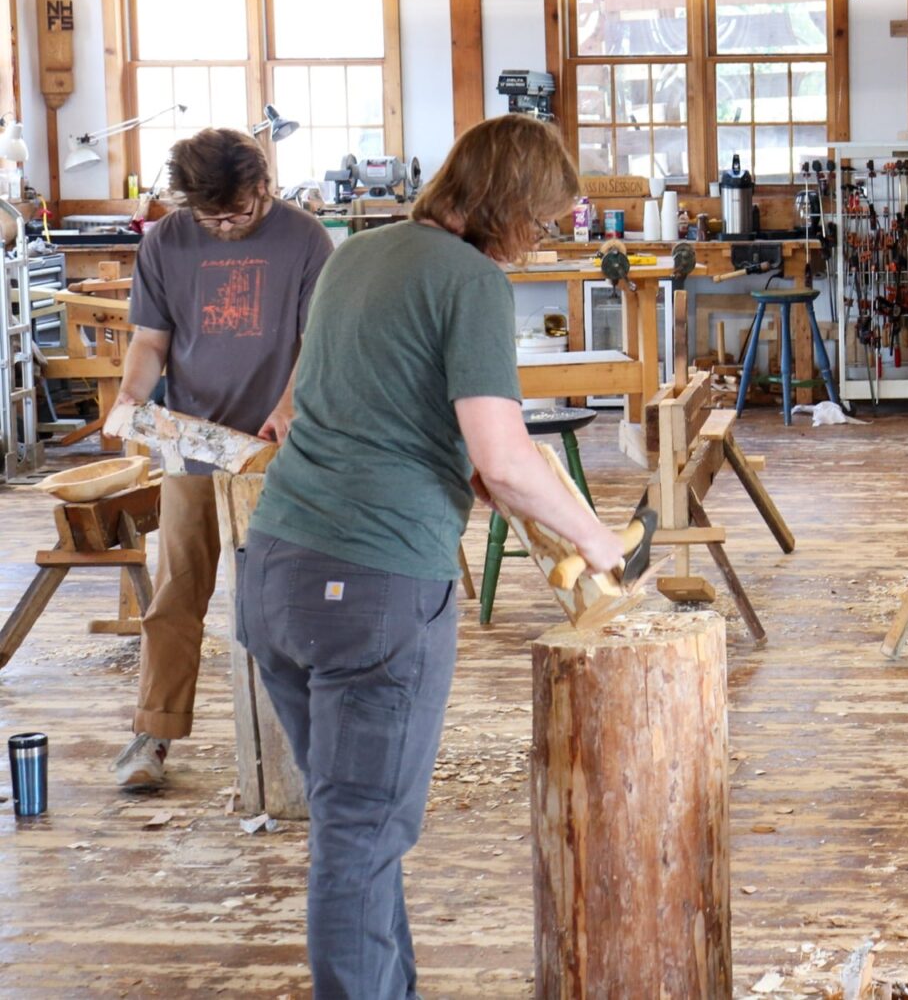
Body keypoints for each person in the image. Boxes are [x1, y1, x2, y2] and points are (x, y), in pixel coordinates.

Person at [235, 116, 624, 999]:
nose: (541, 241)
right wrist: (595, 537)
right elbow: (505, 459)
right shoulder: (470, 280)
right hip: (373, 585)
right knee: (360, 839)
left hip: (277, 571)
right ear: (506, 204)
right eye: (541, 221)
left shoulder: (357, 254)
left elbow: (340, 407)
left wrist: (462, 466)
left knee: (353, 828)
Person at [110, 129, 332, 790]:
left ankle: (304, 745)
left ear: (263, 186)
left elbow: (317, 341)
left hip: (277, 453)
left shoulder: (305, 239)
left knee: (286, 597)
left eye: (239, 212)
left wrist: (289, 406)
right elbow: (151, 341)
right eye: (212, 218)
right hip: (194, 443)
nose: (227, 226)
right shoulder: (166, 242)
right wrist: (131, 395)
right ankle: (152, 733)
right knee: (177, 591)